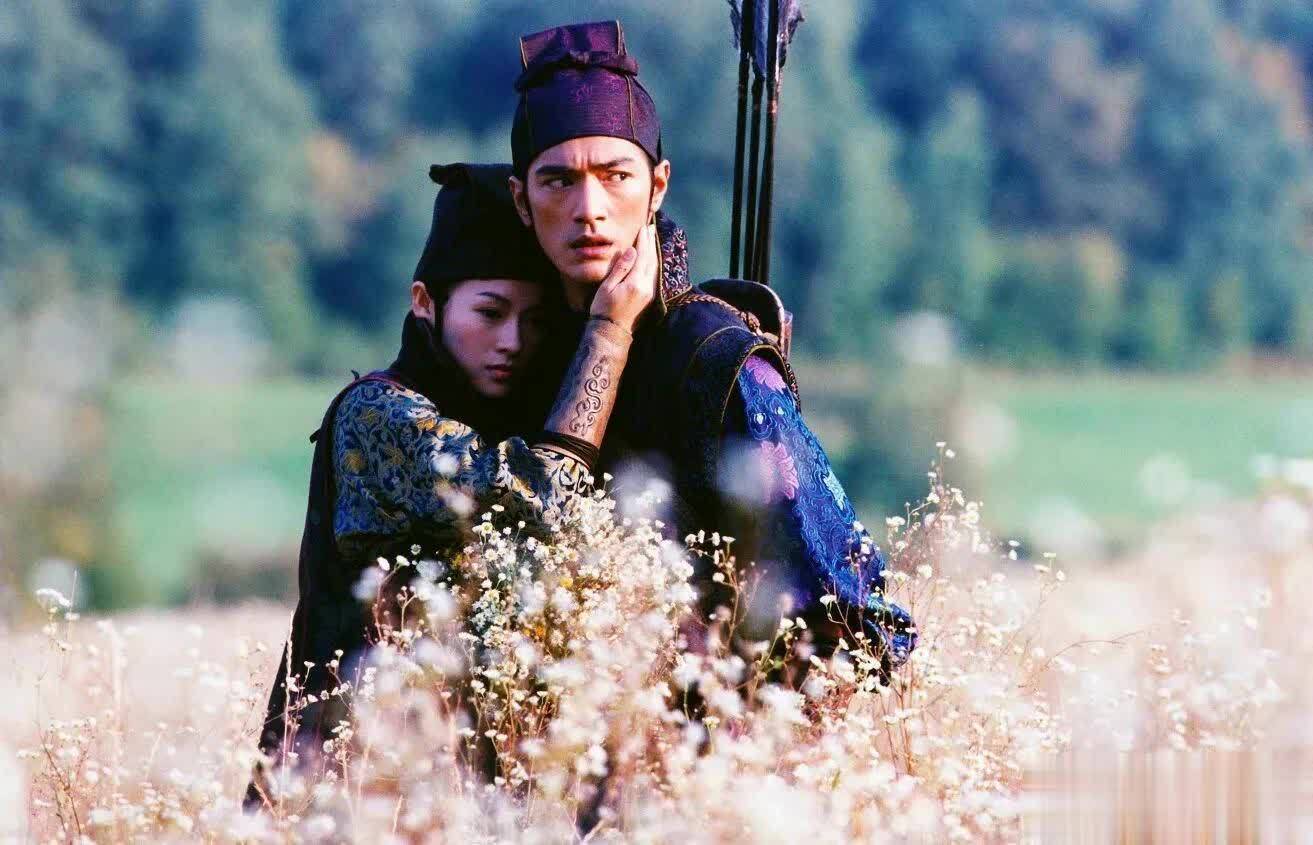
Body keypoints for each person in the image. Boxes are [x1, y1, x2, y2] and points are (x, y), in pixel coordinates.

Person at [244, 162, 659, 809]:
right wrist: (609, 332)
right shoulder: (378, 415)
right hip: (350, 791)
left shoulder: (510, 417)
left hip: (449, 791)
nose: (512, 341)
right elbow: (544, 499)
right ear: (424, 302)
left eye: (536, 321)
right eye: (490, 312)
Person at [505, 21, 916, 661]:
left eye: (616, 175)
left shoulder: (718, 357)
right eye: (558, 181)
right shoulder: (514, 350)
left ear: (657, 187)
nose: (588, 207)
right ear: (521, 201)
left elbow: (859, 616)